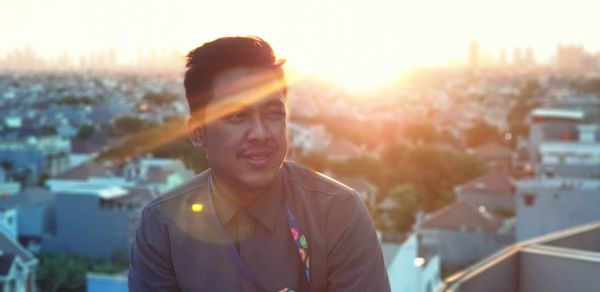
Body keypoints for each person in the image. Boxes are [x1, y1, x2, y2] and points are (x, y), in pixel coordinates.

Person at [128, 36, 390, 292]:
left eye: (273, 114)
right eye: (238, 116)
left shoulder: (336, 213)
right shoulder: (163, 226)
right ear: (198, 132)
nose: (261, 133)